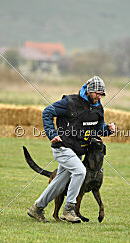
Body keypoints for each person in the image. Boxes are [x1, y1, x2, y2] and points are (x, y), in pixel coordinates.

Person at [27, 76, 116, 223]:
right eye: (97, 93)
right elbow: (47, 112)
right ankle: (69, 209)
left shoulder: (98, 108)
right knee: (80, 171)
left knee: (58, 183)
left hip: (76, 152)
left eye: (102, 94)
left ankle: (37, 208)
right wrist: (52, 134)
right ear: (88, 91)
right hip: (62, 147)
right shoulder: (70, 102)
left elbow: (98, 130)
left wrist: (108, 130)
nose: (99, 97)